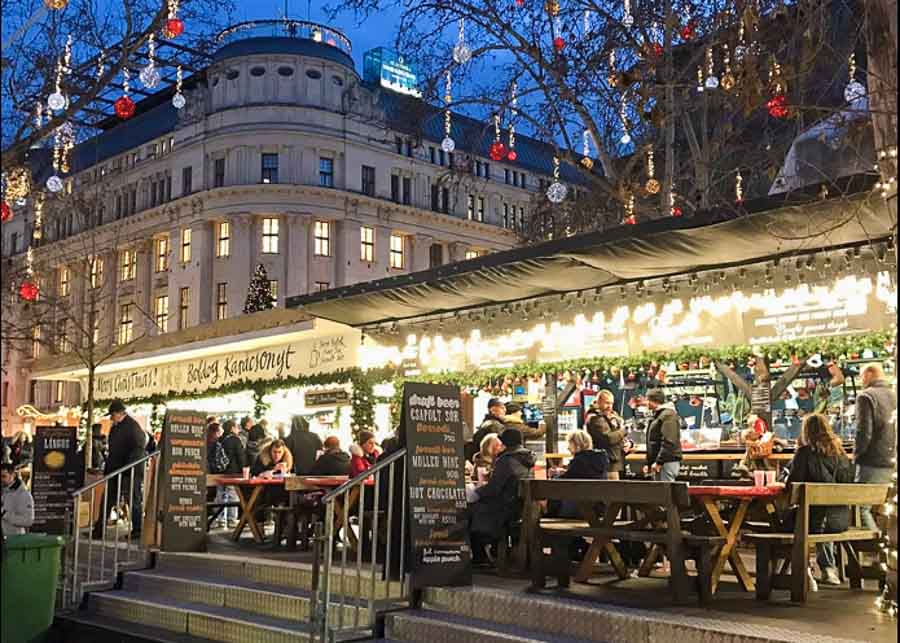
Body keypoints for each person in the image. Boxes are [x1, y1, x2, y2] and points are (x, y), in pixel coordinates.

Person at [786, 413, 853, 587]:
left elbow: (793, 486)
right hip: (841, 520)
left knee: (791, 519)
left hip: (814, 520)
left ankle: (804, 568)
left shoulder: (804, 453)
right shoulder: (841, 455)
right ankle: (827, 569)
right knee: (820, 514)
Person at [468, 428, 535, 564]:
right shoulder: (528, 458)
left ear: (505, 442)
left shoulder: (506, 460)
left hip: (505, 510)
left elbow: (494, 488)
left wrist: (475, 493)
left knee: (471, 510)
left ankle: (480, 556)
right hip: (521, 508)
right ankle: (490, 552)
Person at [94, 400, 148, 538]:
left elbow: (138, 449)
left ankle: (138, 530)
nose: (111, 418)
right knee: (108, 499)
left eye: (112, 415)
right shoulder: (117, 426)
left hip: (129, 471)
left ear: (119, 413)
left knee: (133, 500)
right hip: (116, 470)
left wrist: (128, 468)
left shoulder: (132, 427)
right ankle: (99, 529)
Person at [854, 363, 897, 531]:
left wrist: (856, 456)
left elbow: (863, 432)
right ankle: (886, 546)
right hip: (892, 462)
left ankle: (874, 545)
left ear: (870, 374)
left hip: (872, 462)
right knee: (887, 510)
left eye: (861, 375)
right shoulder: (894, 395)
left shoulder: (866, 396)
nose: (860, 380)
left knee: (860, 508)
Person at [548, 430, 609, 519]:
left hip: (578, 510)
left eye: (569, 444)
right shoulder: (600, 459)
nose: (568, 447)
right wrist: (564, 472)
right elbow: (582, 475)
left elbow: (561, 483)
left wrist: (555, 475)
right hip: (597, 509)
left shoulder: (579, 461)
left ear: (577, 444)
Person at [586, 390, 627, 480]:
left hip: (613, 462)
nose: (610, 407)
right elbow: (609, 438)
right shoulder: (595, 418)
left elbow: (618, 435)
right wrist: (624, 430)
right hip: (606, 464)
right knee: (611, 493)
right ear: (598, 402)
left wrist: (628, 443)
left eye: (611, 403)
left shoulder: (611, 415)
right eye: (607, 403)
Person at [644, 389, 683, 482]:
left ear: (653, 400)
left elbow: (669, 440)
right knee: (661, 493)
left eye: (647, 399)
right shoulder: (660, 415)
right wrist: (649, 463)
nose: (646, 403)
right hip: (662, 462)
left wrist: (659, 462)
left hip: (667, 462)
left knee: (666, 493)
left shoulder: (668, 415)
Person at [220, 420, 246, 528]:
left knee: (221, 495)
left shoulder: (221, 439)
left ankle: (221, 519)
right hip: (233, 471)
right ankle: (232, 519)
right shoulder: (235, 439)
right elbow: (240, 456)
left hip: (222, 471)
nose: (238, 429)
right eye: (236, 427)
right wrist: (244, 468)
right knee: (233, 495)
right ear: (232, 428)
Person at [1, 463, 34, 535]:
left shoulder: (23, 494)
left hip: (12, 541)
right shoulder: (3, 490)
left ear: (13, 475)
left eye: (3, 476)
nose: (1, 479)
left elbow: (28, 521)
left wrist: (5, 514)